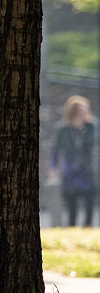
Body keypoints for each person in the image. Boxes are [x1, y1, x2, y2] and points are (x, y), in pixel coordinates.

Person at [51, 96, 96, 228]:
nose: (84, 114)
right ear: (73, 112)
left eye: (85, 111)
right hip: (70, 172)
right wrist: (53, 168)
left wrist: (81, 129)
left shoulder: (91, 127)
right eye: (81, 111)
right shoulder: (62, 129)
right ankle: (72, 230)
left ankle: (88, 228)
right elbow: (55, 149)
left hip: (86, 170)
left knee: (89, 203)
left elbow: (92, 142)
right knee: (72, 206)